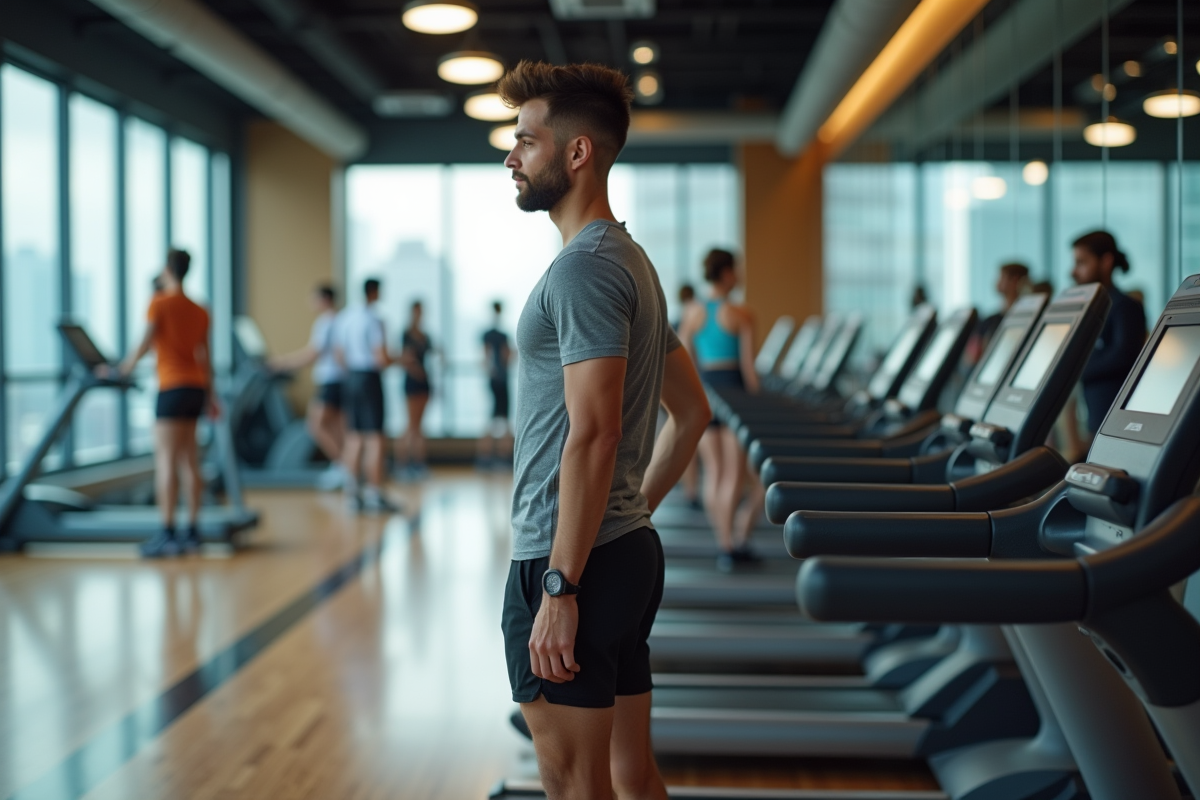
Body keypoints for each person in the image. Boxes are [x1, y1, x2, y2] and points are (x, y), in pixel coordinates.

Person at [497, 61, 710, 800]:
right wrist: (632, 513)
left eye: (526, 140)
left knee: (573, 780)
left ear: (577, 151)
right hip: (620, 551)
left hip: (570, 562)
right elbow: (694, 415)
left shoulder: (583, 270)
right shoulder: (631, 261)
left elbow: (594, 435)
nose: (511, 156)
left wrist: (560, 584)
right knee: (629, 773)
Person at [116, 249, 214, 557]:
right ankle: (193, 531)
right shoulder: (200, 309)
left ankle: (168, 532)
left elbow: (144, 344)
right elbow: (205, 358)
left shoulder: (159, 303)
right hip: (196, 387)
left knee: (166, 461)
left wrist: (122, 371)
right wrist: (210, 396)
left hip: (171, 386)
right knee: (190, 461)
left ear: (166, 270)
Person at [678, 249, 761, 572]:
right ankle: (730, 546)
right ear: (726, 273)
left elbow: (685, 362)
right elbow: (749, 371)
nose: (739, 275)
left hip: (706, 394)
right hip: (734, 396)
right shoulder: (741, 314)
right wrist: (758, 406)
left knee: (714, 473)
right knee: (734, 475)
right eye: (736, 270)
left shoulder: (693, 312)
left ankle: (723, 541)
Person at [1071, 230, 1146, 448]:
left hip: (1115, 418)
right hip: (1094, 414)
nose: (1074, 271)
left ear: (1106, 261)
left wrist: (1075, 369)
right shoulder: (1088, 309)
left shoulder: (1125, 307)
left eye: (1082, 262)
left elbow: (1123, 356)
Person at [267, 283, 345, 490]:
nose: (310, 303)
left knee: (316, 425)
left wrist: (282, 362)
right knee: (336, 427)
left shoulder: (326, 322)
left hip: (331, 382)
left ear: (325, 300)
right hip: (339, 381)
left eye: (314, 298)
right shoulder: (339, 321)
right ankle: (347, 467)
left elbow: (313, 354)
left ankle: (343, 467)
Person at [335, 278, 399, 513]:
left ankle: (352, 494)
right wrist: (400, 359)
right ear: (373, 292)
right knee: (375, 438)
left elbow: (338, 354)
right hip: (369, 379)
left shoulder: (345, 317)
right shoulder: (374, 319)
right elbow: (381, 358)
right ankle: (374, 494)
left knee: (354, 437)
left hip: (351, 377)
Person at [395, 300, 433, 480]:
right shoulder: (406, 334)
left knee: (419, 427)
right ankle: (403, 465)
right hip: (412, 384)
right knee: (410, 426)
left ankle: (418, 464)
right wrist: (417, 372)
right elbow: (406, 359)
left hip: (425, 384)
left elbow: (435, 353)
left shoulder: (425, 336)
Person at [967, 262, 1031, 364]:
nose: (997, 282)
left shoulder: (1024, 319)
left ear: (1014, 280)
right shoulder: (990, 320)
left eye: (1001, 277)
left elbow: (973, 357)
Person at [674, 284, 701, 509]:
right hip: (689, 386)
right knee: (690, 440)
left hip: (674, 389)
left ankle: (690, 489)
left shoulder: (677, 321)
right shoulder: (693, 319)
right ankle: (691, 489)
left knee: (685, 439)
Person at [478, 301, 514, 468]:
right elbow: (507, 356)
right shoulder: (501, 335)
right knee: (503, 420)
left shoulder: (489, 335)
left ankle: (487, 457)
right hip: (501, 379)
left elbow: (485, 359)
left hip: (494, 380)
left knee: (493, 420)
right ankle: (501, 457)